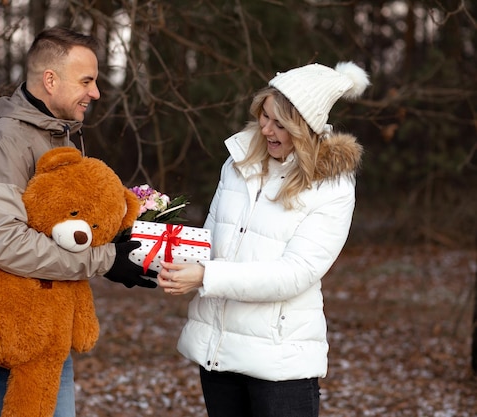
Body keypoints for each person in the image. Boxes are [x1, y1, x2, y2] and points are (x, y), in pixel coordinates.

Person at [0, 27, 157, 417]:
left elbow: (64, 225)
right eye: (87, 81)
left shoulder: (61, 138)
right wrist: (104, 260)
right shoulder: (3, 143)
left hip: (46, 334)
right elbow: (4, 242)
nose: (95, 93)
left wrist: (125, 240)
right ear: (50, 79)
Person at [157, 61, 370, 417]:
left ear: (305, 128)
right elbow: (212, 239)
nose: (266, 128)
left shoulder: (331, 186)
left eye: (280, 124)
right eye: (264, 115)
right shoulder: (239, 163)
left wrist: (207, 276)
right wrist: (161, 250)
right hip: (219, 354)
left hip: (280, 365)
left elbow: (295, 274)